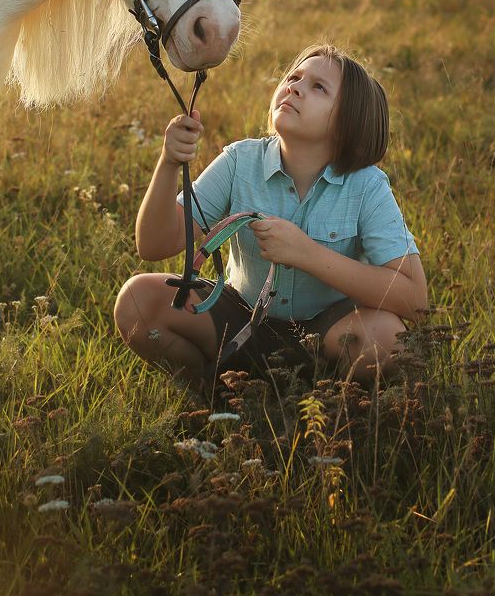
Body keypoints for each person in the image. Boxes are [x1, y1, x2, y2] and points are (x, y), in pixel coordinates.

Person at [114, 43, 428, 390]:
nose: (294, 87)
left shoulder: (366, 186)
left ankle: (333, 399)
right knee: (138, 300)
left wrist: (306, 253)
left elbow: (414, 299)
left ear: (348, 123)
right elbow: (154, 244)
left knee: (386, 337)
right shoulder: (239, 161)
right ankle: (214, 393)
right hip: (239, 321)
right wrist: (169, 163)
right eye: (294, 77)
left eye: (318, 87)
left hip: (326, 334)